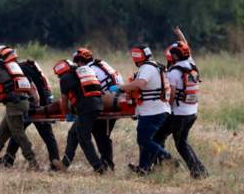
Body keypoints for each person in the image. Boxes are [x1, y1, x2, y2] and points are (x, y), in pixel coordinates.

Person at [154, 29, 208, 178]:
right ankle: (200, 171)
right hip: (191, 113)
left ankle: (164, 164)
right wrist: (179, 34)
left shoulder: (173, 72)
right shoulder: (190, 63)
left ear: (175, 56)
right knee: (181, 142)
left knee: (157, 138)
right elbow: (185, 45)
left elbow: (170, 96)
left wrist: (164, 109)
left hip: (178, 115)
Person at [0, 56, 61, 170]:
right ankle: (8, 160)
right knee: (18, 133)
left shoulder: (20, 70)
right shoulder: (27, 66)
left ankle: (55, 164)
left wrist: (37, 107)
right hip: (41, 104)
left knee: (45, 135)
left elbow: (33, 89)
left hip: (36, 107)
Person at [117, 45, 173, 175]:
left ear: (137, 58)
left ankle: (167, 157)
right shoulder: (156, 66)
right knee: (145, 140)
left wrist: (122, 88)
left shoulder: (147, 67)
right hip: (157, 110)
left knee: (144, 140)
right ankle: (144, 168)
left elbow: (140, 84)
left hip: (152, 111)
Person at [49, 60, 106, 174]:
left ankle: (99, 168)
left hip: (86, 109)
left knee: (84, 138)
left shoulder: (65, 79)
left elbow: (64, 101)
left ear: (60, 72)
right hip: (98, 105)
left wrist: (67, 114)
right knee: (73, 133)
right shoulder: (81, 73)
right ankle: (64, 164)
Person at [72, 48, 123, 171]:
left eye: (77, 62)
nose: (77, 65)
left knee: (101, 135)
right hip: (117, 100)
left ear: (80, 61)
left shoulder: (87, 70)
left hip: (106, 103)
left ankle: (107, 164)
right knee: (102, 134)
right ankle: (106, 163)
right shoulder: (102, 63)